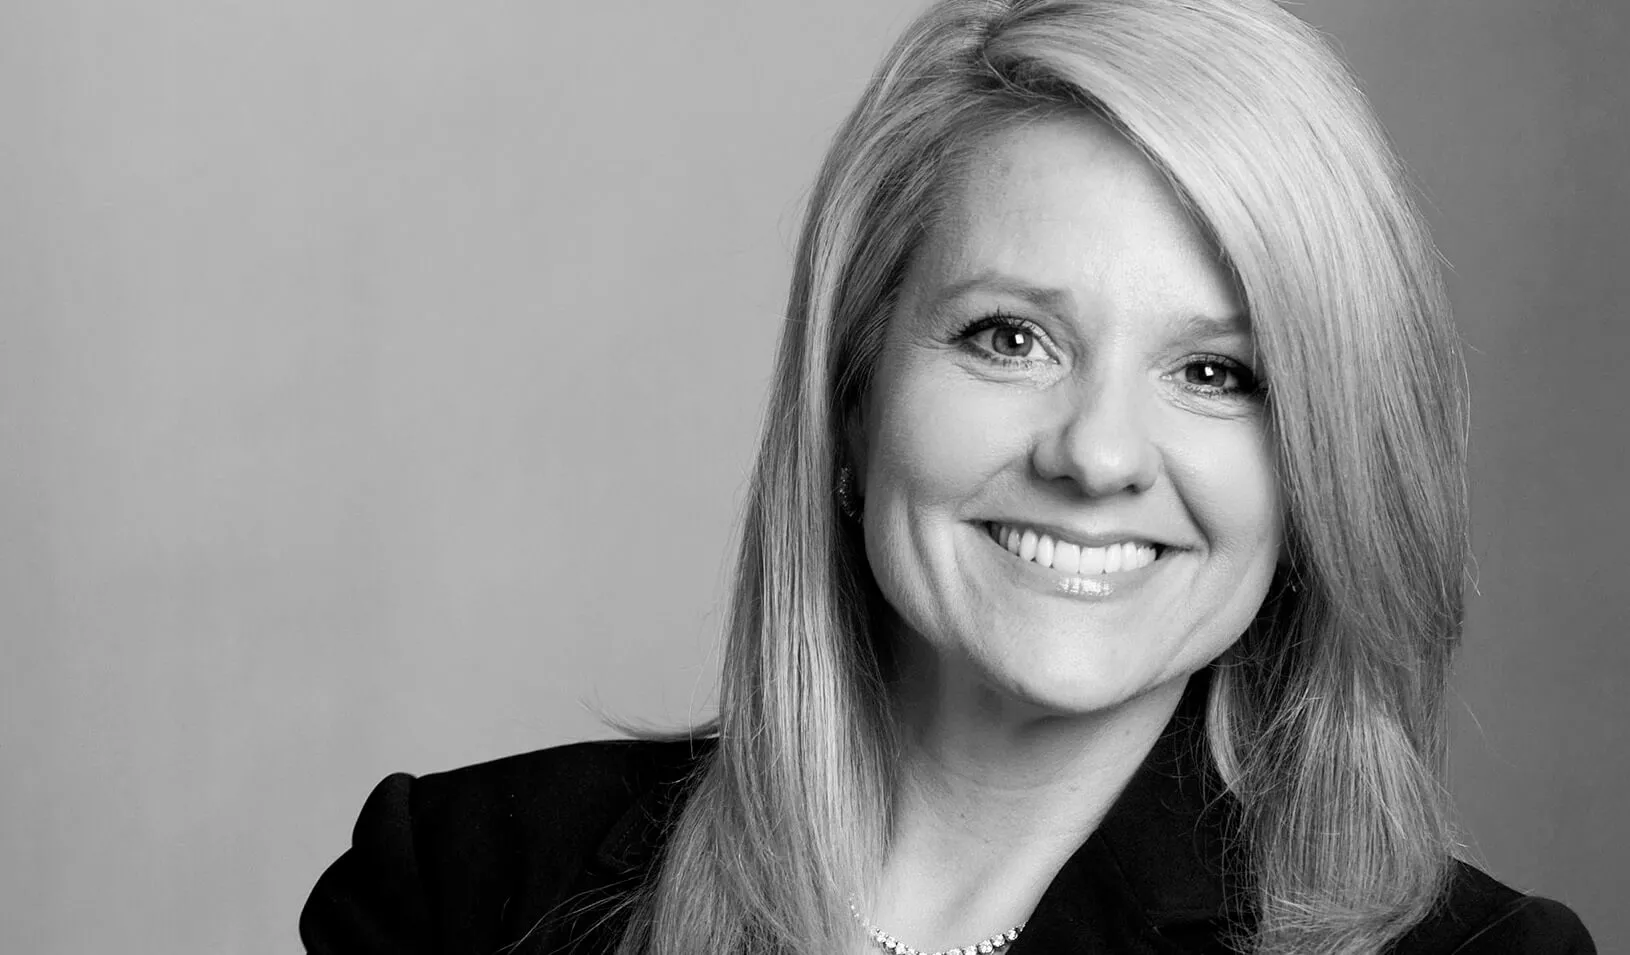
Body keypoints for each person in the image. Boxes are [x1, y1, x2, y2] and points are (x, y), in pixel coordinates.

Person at [301, 1, 1596, 952]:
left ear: (1323, 466)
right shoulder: (465, 887)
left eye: (1216, 372)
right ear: (853, 392)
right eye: (1010, 339)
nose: (1096, 454)